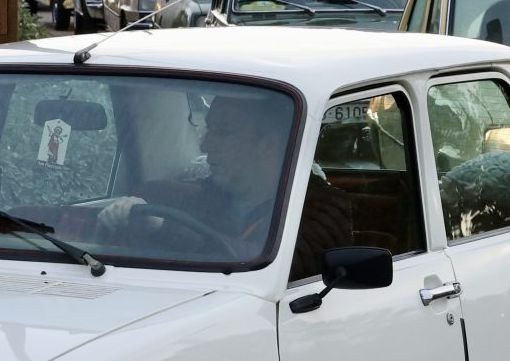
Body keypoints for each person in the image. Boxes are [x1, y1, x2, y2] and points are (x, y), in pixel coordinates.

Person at [97, 92, 350, 280]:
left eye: (224, 132)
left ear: (269, 146)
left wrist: (165, 227)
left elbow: (275, 270)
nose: (206, 146)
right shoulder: (204, 198)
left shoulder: (323, 208)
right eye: (208, 129)